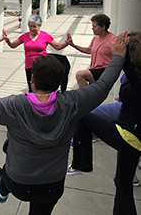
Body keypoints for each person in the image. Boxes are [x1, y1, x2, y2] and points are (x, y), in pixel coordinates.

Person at [0, 31, 128, 215]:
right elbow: (103, 85)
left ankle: (3, 187)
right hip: (52, 186)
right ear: (59, 82)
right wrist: (118, 57)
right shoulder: (74, 103)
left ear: (32, 80)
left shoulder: (14, 105)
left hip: (18, 182)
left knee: (7, 153)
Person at [67, 31, 141, 215]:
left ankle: (82, 163)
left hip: (129, 135)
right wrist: (120, 59)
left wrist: (122, 59)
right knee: (123, 184)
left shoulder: (134, 73)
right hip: (130, 135)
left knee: (80, 113)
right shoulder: (134, 70)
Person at [4, 14, 69, 92]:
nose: (31, 28)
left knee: (43, 87)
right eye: (30, 26)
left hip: (42, 65)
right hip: (29, 65)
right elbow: (13, 45)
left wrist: (67, 43)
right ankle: (33, 102)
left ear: (39, 26)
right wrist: (7, 40)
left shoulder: (45, 36)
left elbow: (57, 46)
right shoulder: (25, 36)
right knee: (32, 87)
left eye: (34, 26)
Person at [66, 13, 117, 88]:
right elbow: (88, 50)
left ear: (103, 27)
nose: (92, 28)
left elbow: (119, 56)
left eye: (94, 26)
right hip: (94, 70)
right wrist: (73, 45)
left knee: (80, 75)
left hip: (104, 71)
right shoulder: (96, 38)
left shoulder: (113, 40)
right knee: (95, 95)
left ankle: (84, 96)